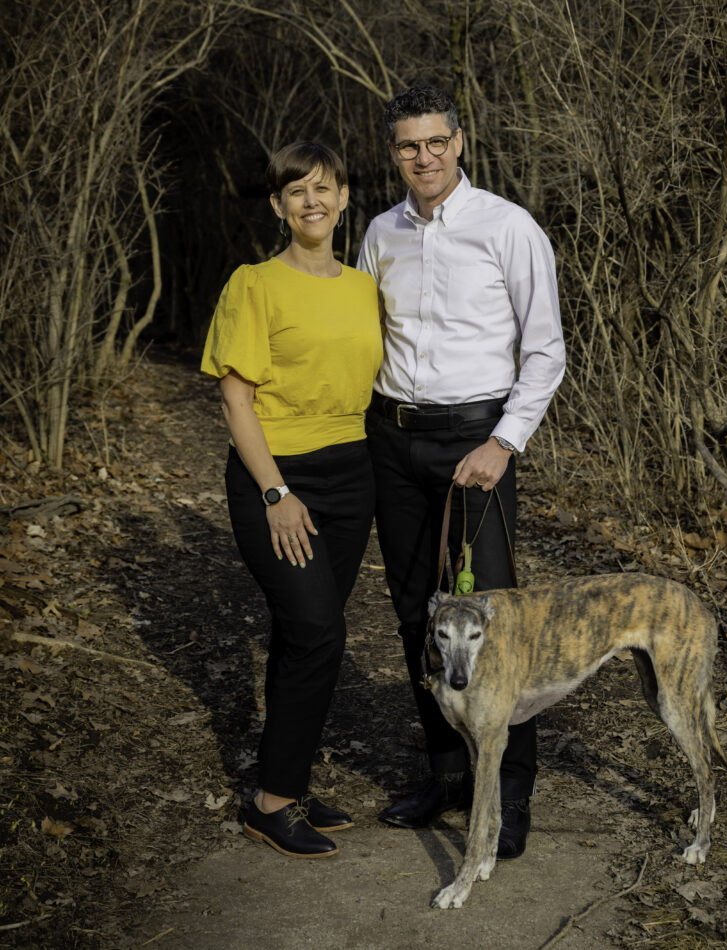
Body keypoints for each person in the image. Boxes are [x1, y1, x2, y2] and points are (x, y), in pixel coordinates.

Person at [357, 85, 565, 859]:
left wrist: (504, 443)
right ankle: (446, 777)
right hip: (394, 440)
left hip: (478, 443)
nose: (424, 156)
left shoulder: (509, 228)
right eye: (409, 146)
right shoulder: (380, 233)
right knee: (419, 617)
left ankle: (509, 800)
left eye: (435, 141)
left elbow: (545, 351)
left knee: (493, 625)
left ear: (459, 141)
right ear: (394, 154)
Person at [201, 141, 382, 858]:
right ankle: (272, 804)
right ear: (278, 205)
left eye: (325, 188)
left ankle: (288, 779)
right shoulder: (255, 284)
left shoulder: (364, 287)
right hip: (276, 477)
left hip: (352, 473)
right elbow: (235, 399)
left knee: (305, 633)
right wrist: (276, 491)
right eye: (297, 191)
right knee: (319, 633)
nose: (314, 201)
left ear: (343, 199)